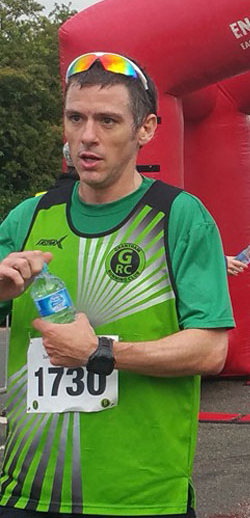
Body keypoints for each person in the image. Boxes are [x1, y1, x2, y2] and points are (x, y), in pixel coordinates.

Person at [0, 52, 231, 516]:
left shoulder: (180, 217)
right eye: (75, 118)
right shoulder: (28, 216)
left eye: (107, 120)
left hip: (141, 498)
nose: (87, 136)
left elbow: (210, 350)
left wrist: (99, 353)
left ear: (145, 129)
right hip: (27, 493)